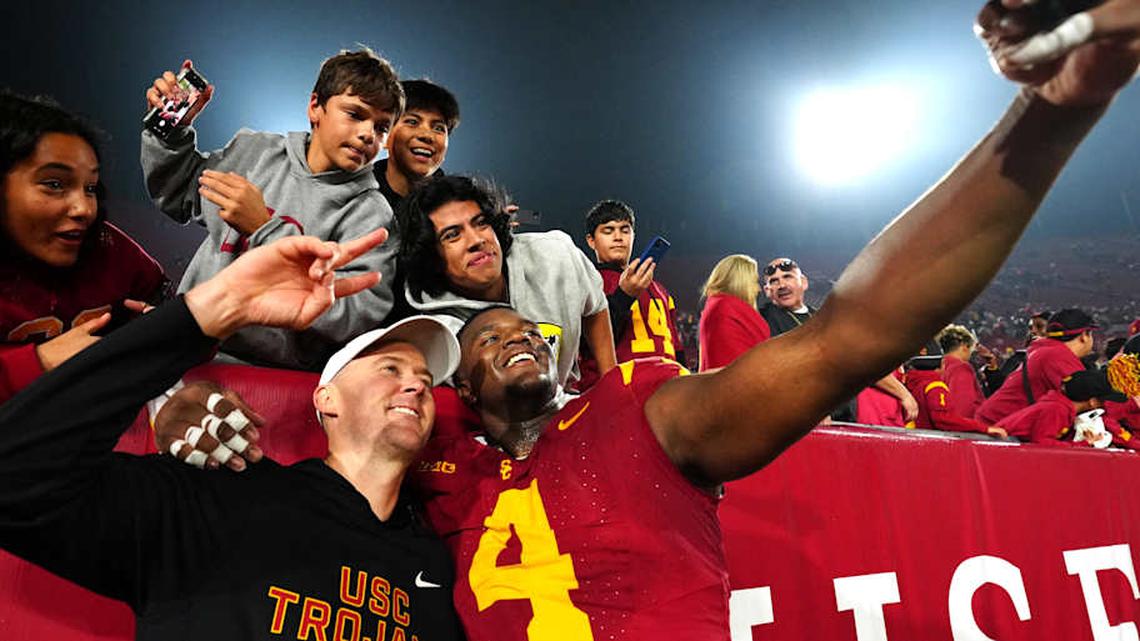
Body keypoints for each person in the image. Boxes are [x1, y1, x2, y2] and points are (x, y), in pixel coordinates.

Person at [159, 3, 1140, 636]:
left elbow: (853, 333)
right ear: (446, 380)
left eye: (518, 320)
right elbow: (297, 413)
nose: (506, 327)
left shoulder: (640, 407)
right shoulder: (433, 451)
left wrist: (1048, 112)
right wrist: (180, 390)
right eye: (476, 332)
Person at [0, 229, 465, 641]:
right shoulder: (225, 489)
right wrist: (211, 310)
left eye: (425, 378)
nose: (416, 384)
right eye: (390, 368)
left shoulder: (433, 562)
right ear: (327, 399)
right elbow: (15, 479)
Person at [141, 49, 404, 370]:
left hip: (268, 373)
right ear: (315, 107)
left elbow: (359, 315)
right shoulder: (256, 151)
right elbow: (179, 194)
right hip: (185, 343)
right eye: (355, 114)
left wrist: (265, 228)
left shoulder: (373, 215)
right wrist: (169, 129)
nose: (368, 135)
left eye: (381, 128)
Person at [1, 92, 169, 404]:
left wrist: (162, 334)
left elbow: (169, 319)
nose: (84, 209)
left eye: (90, 188)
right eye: (54, 184)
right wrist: (39, 361)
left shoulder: (108, 247)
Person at [397, 174, 616, 387]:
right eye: (452, 235)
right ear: (430, 256)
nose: (477, 240)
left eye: (481, 223)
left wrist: (611, 382)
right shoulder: (437, 333)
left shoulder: (555, 254)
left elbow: (595, 306)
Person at [761, 256, 917, 422]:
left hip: (845, 414)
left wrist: (903, 393)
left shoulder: (825, 317)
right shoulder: (764, 320)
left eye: (787, 277)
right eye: (774, 281)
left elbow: (858, 361)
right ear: (767, 290)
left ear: (804, 282)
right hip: (809, 419)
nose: (782, 285)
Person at [375, 78, 460, 326]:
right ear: (386, 134)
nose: (426, 135)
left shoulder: (461, 203)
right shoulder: (355, 194)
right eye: (412, 122)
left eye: (439, 128)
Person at [578, 199, 682, 389]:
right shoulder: (585, 280)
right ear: (591, 241)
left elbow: (676, 347)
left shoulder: (659, 289)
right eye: (608, 231)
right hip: (614, 394)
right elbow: (586, 342)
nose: (618, 237)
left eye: (625, 230)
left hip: (665, 391)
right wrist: (624, 296)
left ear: (633, 236)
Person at [976, 308, 1097, 424]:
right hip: (998, 431)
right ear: (1084, 336)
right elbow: (1089, 402)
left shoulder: (1045, 351)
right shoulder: (1057, 356)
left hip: (999, 424)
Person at [994, 369, 1127, 445]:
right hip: (1001, 443)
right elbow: (1042, 443)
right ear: (1092, 402)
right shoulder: (1058, 409)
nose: (1103, 405)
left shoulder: (1059, 404)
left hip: (1005, 443)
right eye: (1102, 401)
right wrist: (1084, 444)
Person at [697, 254, 768, 371]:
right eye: (755, 282)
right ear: (741, 283)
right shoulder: (728, 309)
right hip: (739, 385)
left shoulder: (716, 307)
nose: (758, 289)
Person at [937, 324, 987, 419]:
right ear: (964, 346)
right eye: (971, 349)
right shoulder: (960, 368)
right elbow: (963, 408)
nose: (970, 353)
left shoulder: (941, 366)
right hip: (966, 429)